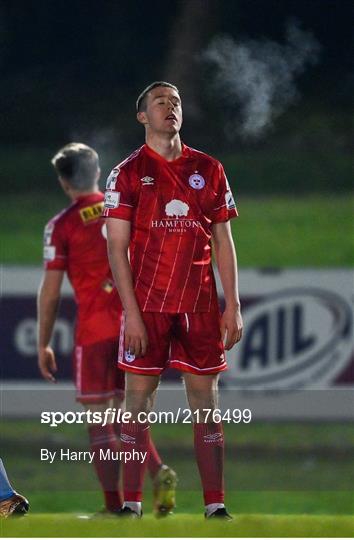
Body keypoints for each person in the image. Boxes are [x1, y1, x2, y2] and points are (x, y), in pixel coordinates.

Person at [103, 81, 243, 519]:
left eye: (177, 102)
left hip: (200, 306)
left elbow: (223, 238)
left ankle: (215, 505)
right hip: (148, 306)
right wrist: (131, 314)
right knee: (137, 404)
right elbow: (116, 248)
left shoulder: (210, 169)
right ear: (142, 116)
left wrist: (232, 304)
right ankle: (132, 504)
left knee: (207, 403)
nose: (171, 108)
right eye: (160, 102)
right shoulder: (126, 173)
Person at [37, 142, 177, 517]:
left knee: (100, 423)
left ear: (65, 183)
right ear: (98, 173)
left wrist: (43, 342)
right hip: (137, 328)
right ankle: (157, 470)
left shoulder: (62, 226)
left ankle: (114, 507)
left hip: (95, 331)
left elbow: (51, 293)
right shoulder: (130, 210)